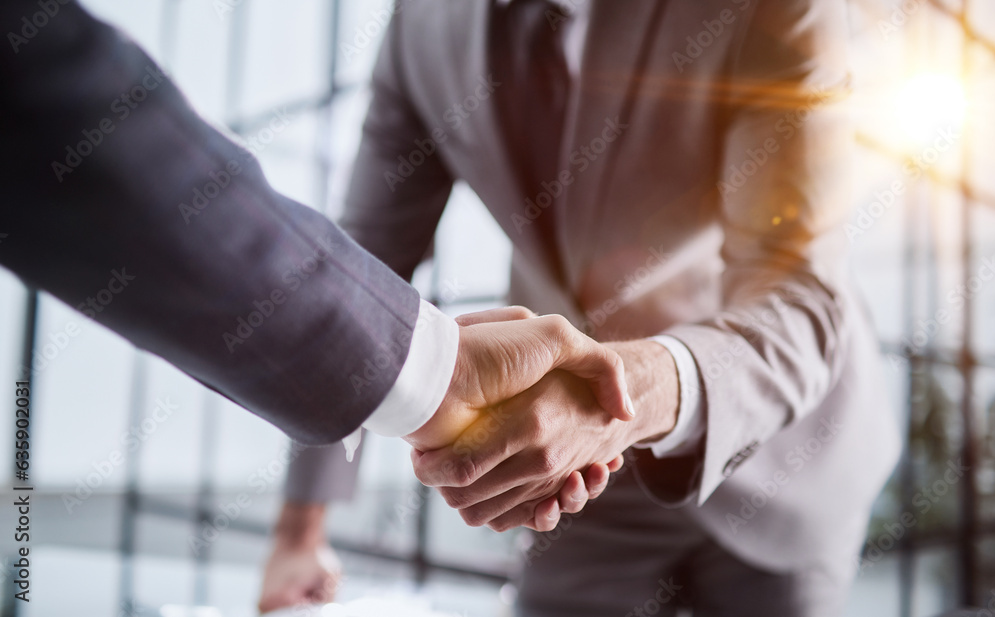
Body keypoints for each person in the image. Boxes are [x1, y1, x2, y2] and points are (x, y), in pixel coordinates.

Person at [261, 0, 903, 615]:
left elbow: (796, 293)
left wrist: (613, 400)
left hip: (780, 449)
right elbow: (364, 273)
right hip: (576, 481)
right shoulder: (423, 20)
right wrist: (299, 531)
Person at [0, 0, 633, 535]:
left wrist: (650, 388)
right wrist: (303, 524)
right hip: (561, 504)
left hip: (714, 464)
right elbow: (374, 250)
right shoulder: (424, 26)